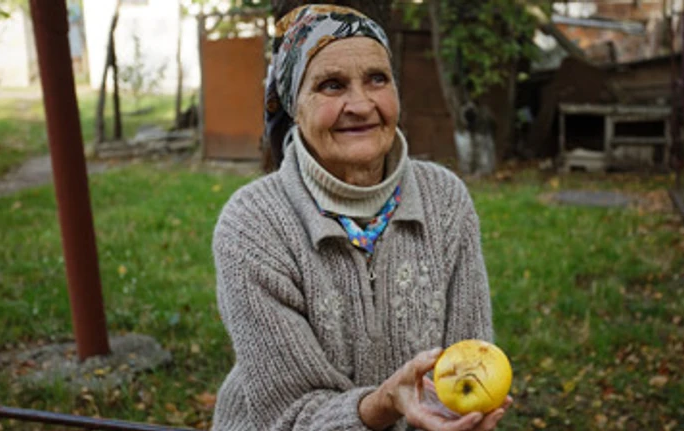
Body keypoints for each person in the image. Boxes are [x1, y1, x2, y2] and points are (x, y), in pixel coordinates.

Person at [211, 5, 512, 430]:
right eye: (331, 85)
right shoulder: (253, 226)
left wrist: (462, 415)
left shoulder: (445, 201)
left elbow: (470, 361)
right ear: (295, 107)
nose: (361, 104)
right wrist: (382, 404)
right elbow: (289, 415)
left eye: (377, 79)